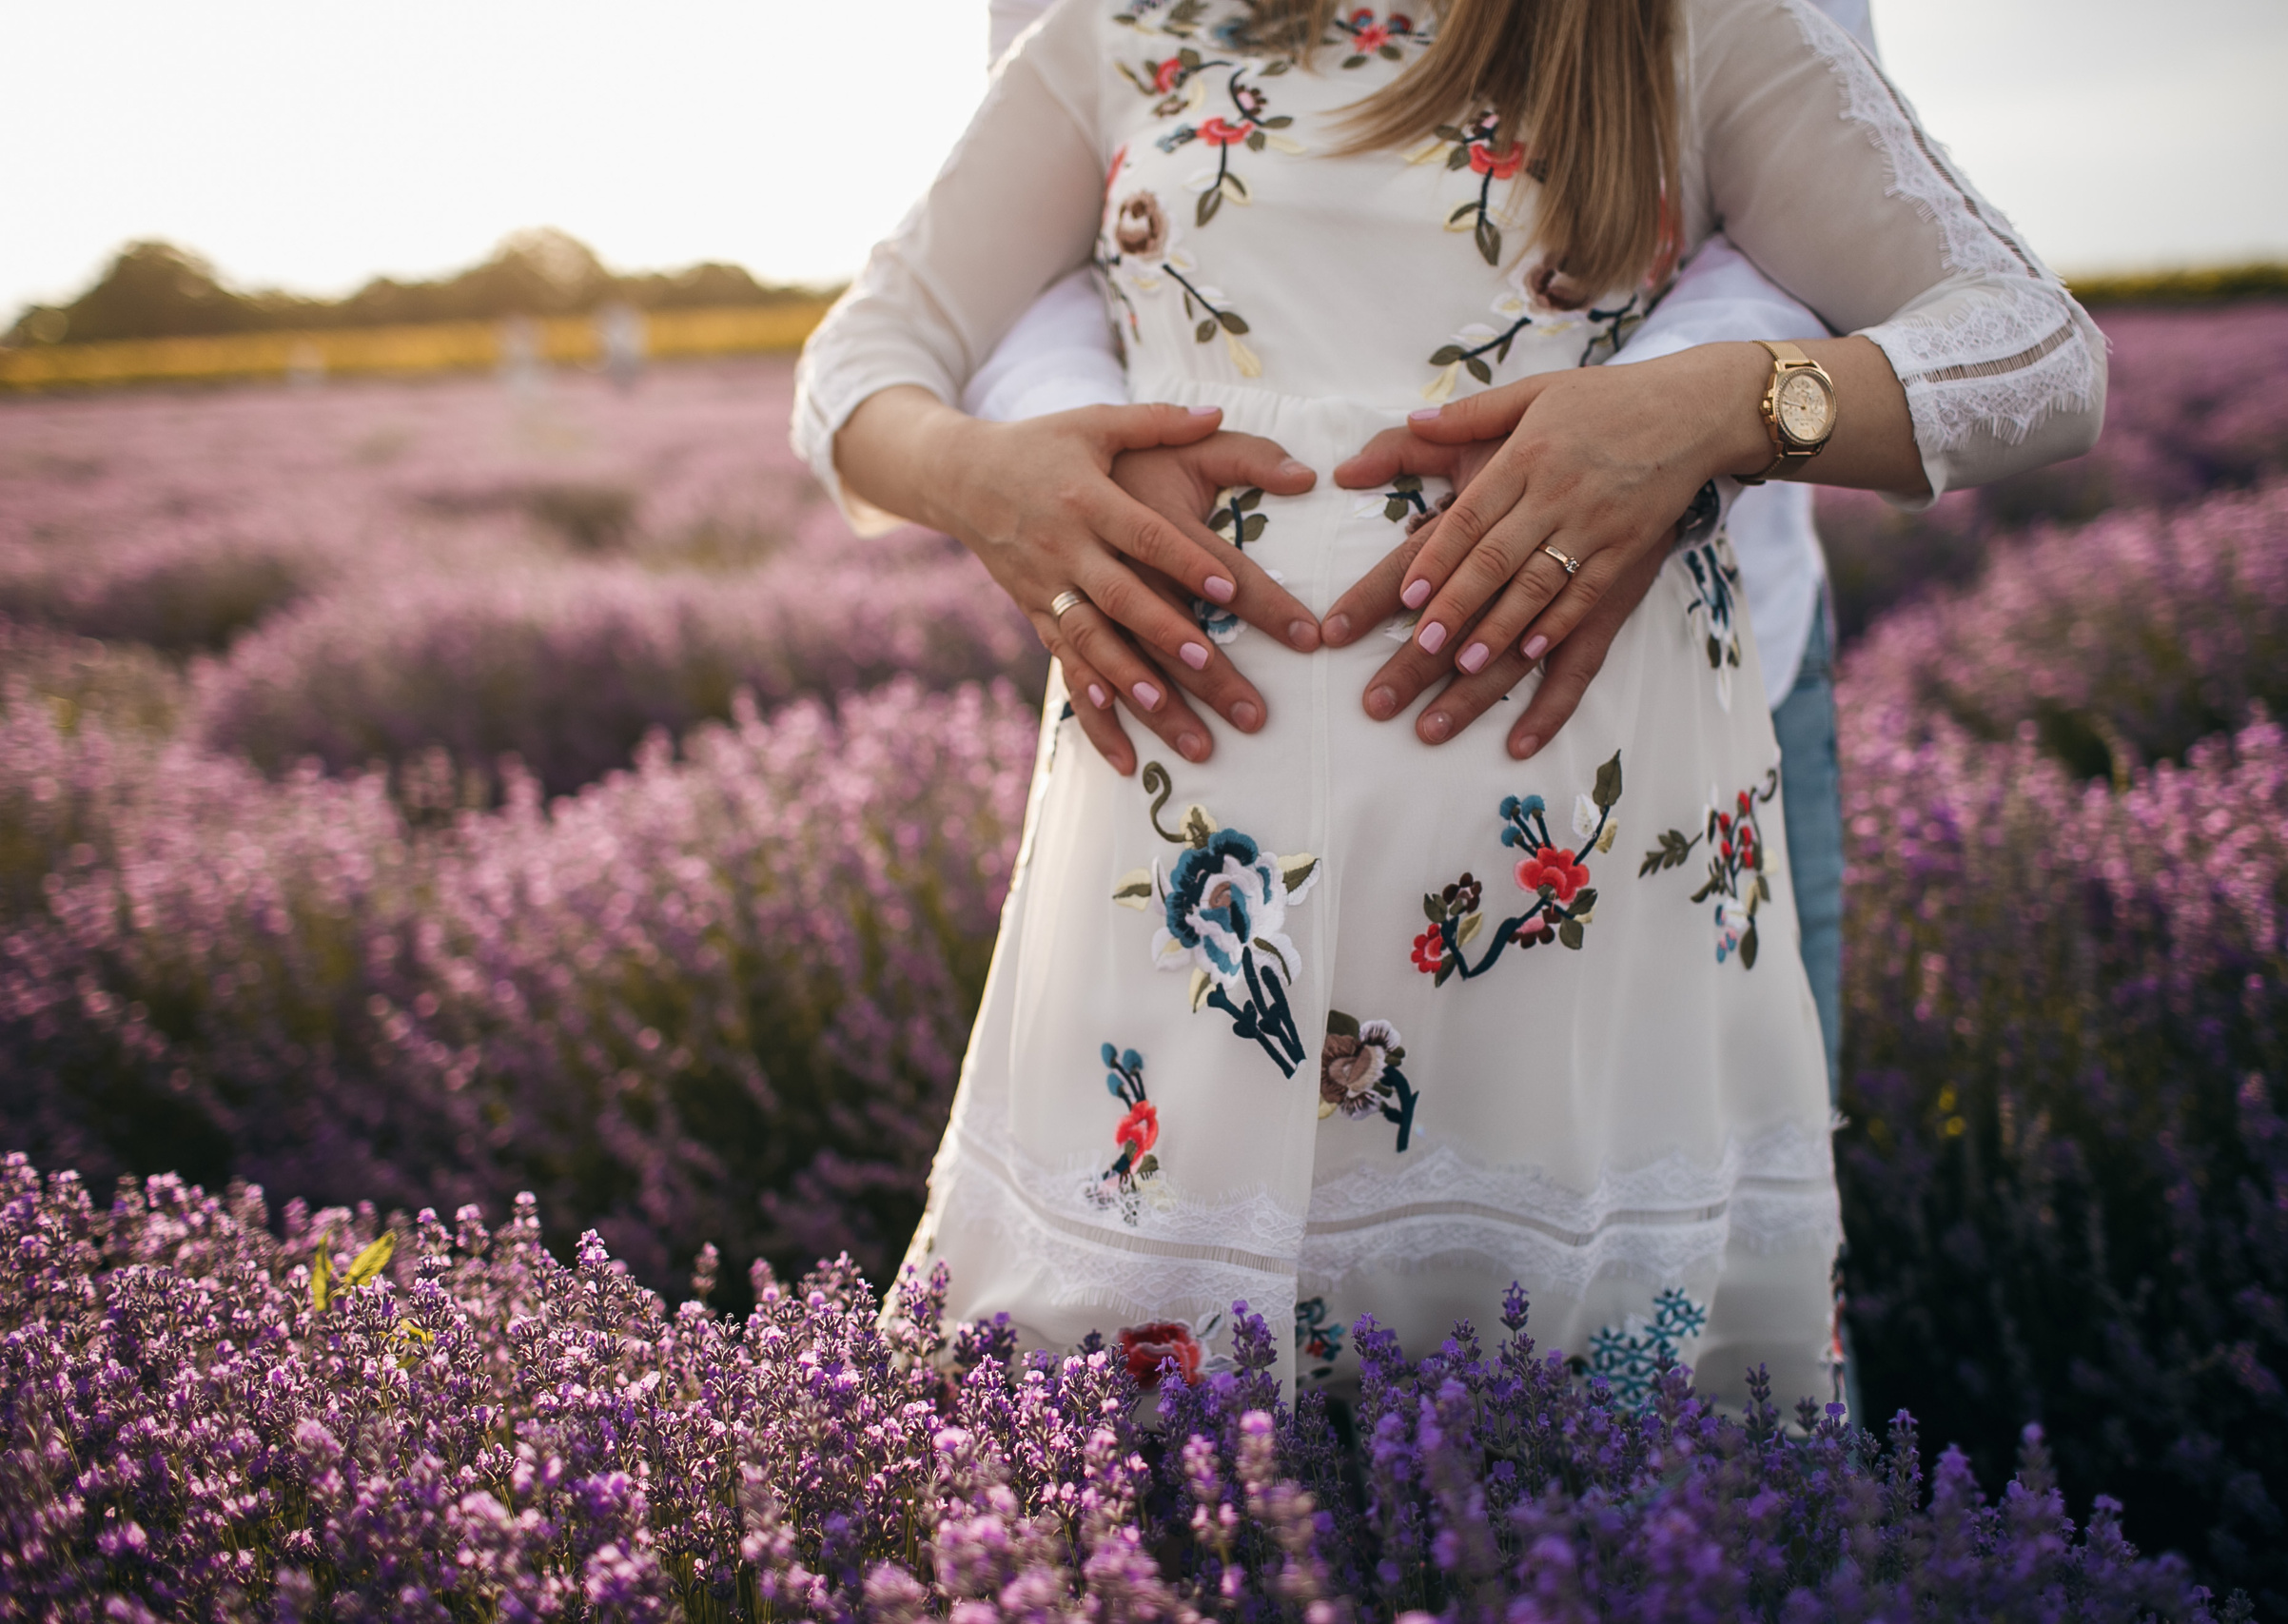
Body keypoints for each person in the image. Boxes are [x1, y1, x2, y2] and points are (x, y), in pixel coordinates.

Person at [793, 0, 2102, 1409]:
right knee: (1132, 1474)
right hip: (1197, 910)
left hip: (1589, 897)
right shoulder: (1122, 32)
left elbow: (2035, 349)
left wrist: (1726, 405)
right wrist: (981, 479)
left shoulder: (1686, 25)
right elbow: (861, 364)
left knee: (1638, 1486)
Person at [967, 0, 1876, 1103]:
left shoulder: (1711, 26)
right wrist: (1085, 449)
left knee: (1634, 1148)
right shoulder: (1114, 31)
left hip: (1653, 712)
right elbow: (1038, 242)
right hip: (1204, 771)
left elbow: (1817, 226)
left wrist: (1670, 410)